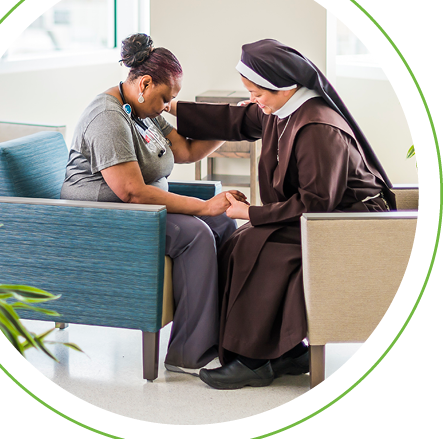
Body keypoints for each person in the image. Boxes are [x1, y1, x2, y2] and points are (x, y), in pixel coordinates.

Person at [169, 38, 396, 389]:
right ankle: (285, 352)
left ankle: (254, 360)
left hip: (347, 224)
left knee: (257, 247)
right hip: (321, 215)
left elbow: (318, 202)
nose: (253, 100)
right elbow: (235, 118)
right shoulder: (283, 108)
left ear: (285, 87)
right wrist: (172, 108)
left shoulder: (318, 127)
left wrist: (252, 212)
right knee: (238, 241)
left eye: (258, 93)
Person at [60, 33, 246, 374]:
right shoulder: (108, 116)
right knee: (196, 233)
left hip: (139, 209)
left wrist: (236, 126)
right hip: (103, 216)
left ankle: (225, 334)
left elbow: (186, 151)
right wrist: (202, 206)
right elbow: (131, 191)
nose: (166, 106)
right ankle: (191, 354)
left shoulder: (143, 111)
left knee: (222, 223)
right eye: (165, 98)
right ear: (145, 83)